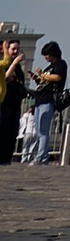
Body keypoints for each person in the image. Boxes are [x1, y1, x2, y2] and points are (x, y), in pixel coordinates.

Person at [26, 42, 69, 165]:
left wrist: (42, 75)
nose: (45, 57)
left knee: (44, 130)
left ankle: (41, 157)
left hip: (49, 99)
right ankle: (42, 155)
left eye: (47, 55)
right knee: (39, 130)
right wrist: (37, 78)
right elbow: (43, 82)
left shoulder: (60, 64)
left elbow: (57, 78)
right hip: (40, 99)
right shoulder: (48, 68)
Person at [0, 33, 24, 170]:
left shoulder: (18, 67)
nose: (15, 52)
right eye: (13, 49)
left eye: (17, 50)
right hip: (5, 103)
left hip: (15, 103)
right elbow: (6, 75)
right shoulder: (5, 64)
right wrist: (13, 63)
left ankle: (6, 158)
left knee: (11, 133)